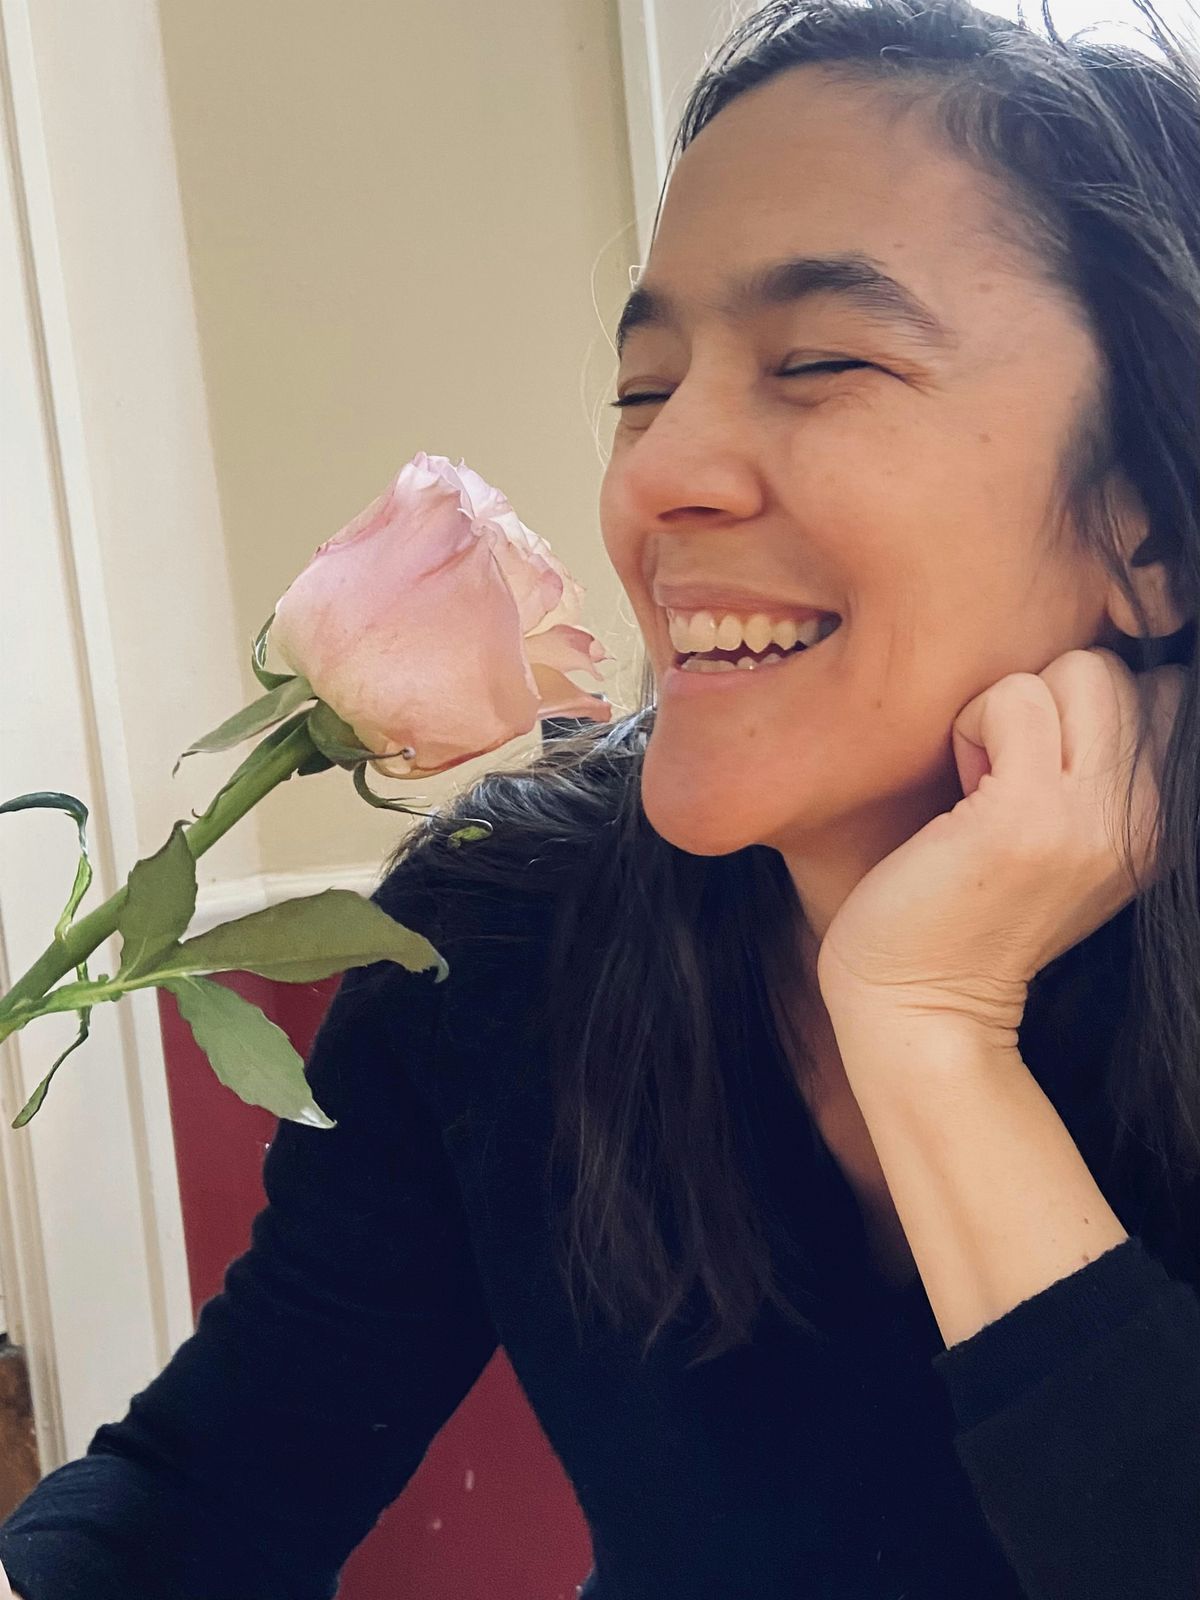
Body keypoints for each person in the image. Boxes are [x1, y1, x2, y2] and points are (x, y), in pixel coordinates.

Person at [5, 0, 1200, 1593]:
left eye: (821, 362)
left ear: (1146, 531)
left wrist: (929, 1032)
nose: (654, 475)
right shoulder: (507, 934)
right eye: (646, 388)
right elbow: (204, 1497)